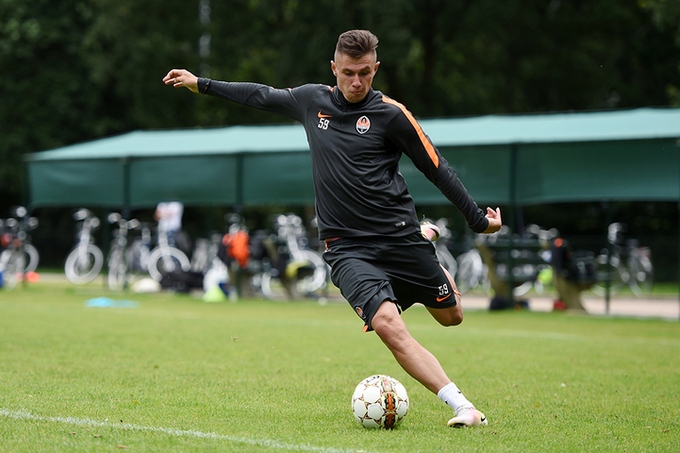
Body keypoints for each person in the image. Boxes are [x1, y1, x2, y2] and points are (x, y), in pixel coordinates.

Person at [163, 29, 502, 428]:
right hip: (346, 248)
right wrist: (201, 84)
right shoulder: (312, 101)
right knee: (387, 325)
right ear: (333, 69)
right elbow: (261, 95)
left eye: (364, 73)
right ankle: (464, 407)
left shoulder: (392, 115)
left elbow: (438, 168)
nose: (356, 82)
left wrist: (478, 220)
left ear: (376, 69)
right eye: (348, 73)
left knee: (452, 317)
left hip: (398, 237)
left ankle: (425, 239)